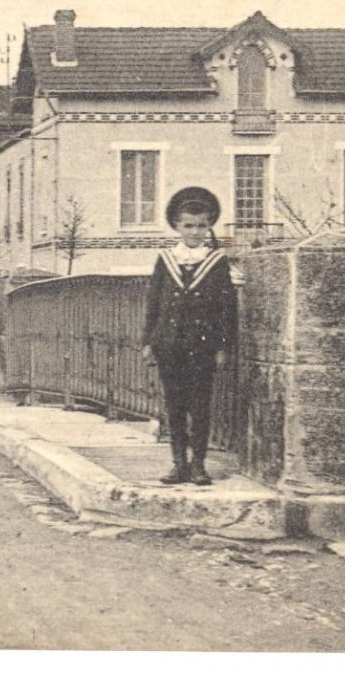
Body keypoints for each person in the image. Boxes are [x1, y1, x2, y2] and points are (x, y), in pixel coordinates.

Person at [142, 186, 237, 486]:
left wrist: (223, 346)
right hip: (170, 345)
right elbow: (153, 303)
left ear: (209, 226)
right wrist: (148, 341)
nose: (195, 232)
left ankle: (198, 465)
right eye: (188, 226)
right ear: (177, 227)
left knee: (200, 405)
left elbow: (227, 308)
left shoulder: (217, 261)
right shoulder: (166, 259)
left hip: (202, 347)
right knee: (174, 406)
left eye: (201, 226)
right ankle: (178, 464)